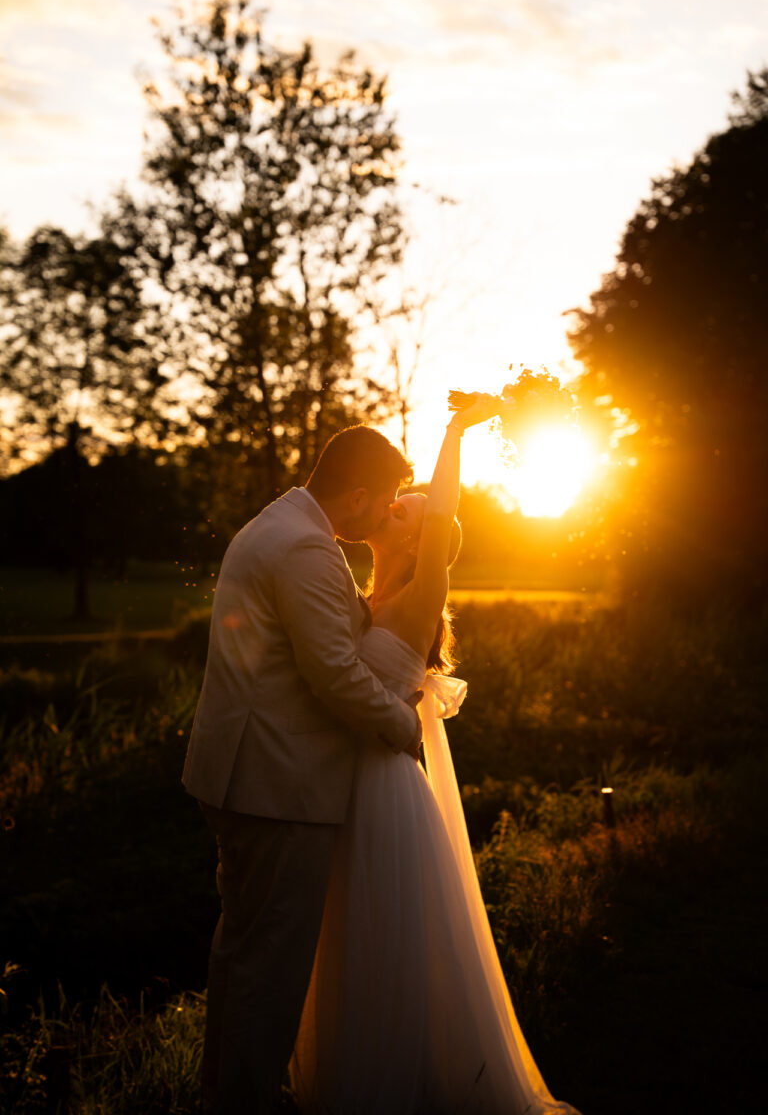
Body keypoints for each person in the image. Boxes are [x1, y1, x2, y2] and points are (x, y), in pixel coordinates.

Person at [290, 395, 581, 1115]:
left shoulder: (423, 591)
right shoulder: (362, 587)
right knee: (342, 934)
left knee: (380, 934)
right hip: (343, 781)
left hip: (387, 789)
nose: (396, 506)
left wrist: (455, 434)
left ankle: (387, 1088)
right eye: (399, 500)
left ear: (426, 539)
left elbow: (445, 513)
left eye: (408, 508)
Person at [182, 425, 424, 1115]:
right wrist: (405, 724)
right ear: (356, 494)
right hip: (277, 786)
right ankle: (246, 1102)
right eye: (385, 502)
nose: (387, 515)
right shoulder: (308, 549)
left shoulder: (277, 523)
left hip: (243, 773)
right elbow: (336, 676)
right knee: (272, 967)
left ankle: (222, 1094)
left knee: (240, 949)